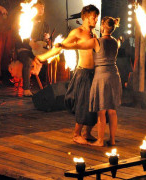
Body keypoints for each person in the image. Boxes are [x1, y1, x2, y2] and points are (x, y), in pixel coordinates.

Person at [37, 4, 100, 145]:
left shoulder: (94, 33)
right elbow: (60, 47)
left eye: (96, 16)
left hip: (94, 73)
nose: (96, 19)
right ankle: (76, 134)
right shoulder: (77, 33)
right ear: (86, 17)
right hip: (83, 73)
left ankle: (87, 132)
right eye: (93, 17)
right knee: (84, 104)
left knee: (95, 104)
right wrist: (42, 57)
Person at [55, 16, 123, 146]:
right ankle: (112, 140)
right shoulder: (115, 42)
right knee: (112, 110)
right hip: (114, 75)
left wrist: (62, 45)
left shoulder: (97, 41)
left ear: (103, 27)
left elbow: (79, 44)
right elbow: (119, 44)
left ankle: (100, 140)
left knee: (101, 110)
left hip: (102, 75)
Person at [15, 0, 50, 96]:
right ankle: (26, 89)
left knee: (48, 60)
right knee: (28, 61)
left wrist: (47, 38)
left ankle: (46, 86)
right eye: (38, 8)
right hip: (24, 49)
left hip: (37, 51)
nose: (41, 10)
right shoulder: (26, 20)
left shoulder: (45, 24)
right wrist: (30, 43)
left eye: (42, 8)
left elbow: (45, 42)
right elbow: (21, 37)